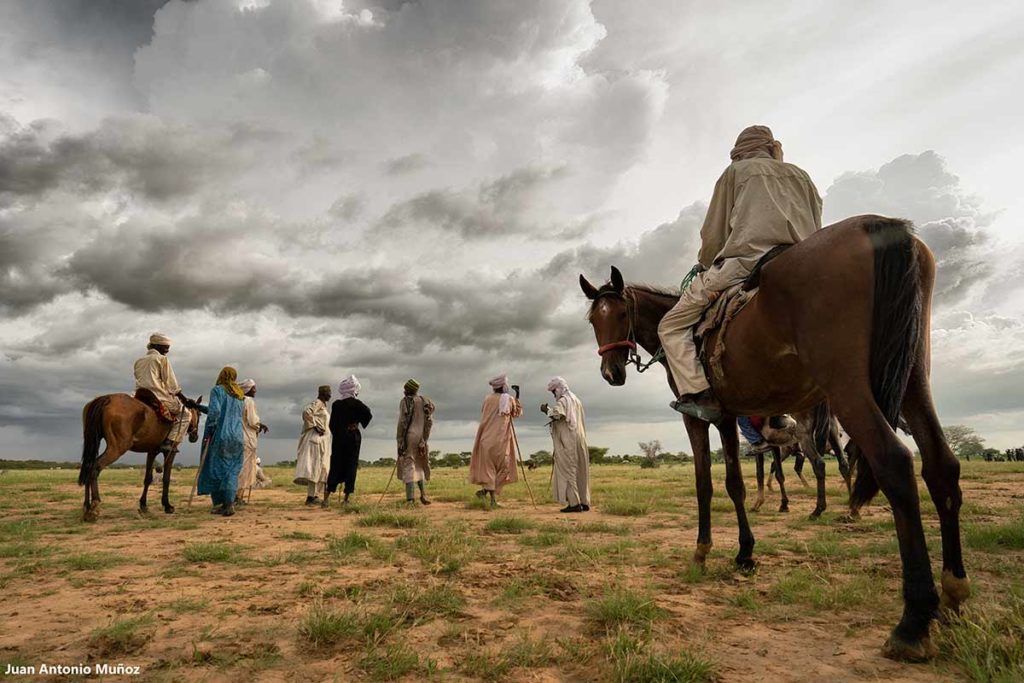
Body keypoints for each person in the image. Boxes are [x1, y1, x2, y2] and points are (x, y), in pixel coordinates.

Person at [657, 125, 822, 421]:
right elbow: (816, 224)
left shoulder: (735, 173)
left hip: (744, 263)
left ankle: (699, 395)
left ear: (739, 151)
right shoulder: (802, 175)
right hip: (803, 264)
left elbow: (714, 231)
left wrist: (706, 263)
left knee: (670, 326)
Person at [196, 367, 247, 516]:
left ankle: (220, 502)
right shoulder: (239, 396)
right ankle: (229, 503)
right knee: (231, 470)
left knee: (216, 468)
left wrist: (211, 428)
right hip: (237, 436)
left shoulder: (217, 390)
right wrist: (198, 407)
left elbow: (215, 412)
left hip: (221, 435)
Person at [133, 333, 194, 456]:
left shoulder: (139, 360)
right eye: (165, 346)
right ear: (155, 346)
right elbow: (171, 382)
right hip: (157, 395)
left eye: (168, 346)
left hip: (139, 394)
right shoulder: (162, 359)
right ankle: (169, 442)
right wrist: (183, 399)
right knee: (186, 414)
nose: (167, 349)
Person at [469, 374, 523, 508]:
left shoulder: (487, 399)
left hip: (485, 439)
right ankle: (492, 498)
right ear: (504, 386)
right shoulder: (508, 399)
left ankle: (486, 491)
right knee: (504, 468)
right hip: (501, 441)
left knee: (488, 469)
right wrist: (517, 396)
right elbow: (516, 413)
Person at [542, 377, 591, 513]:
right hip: (580, 439)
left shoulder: (564, 400)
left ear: (558, 388)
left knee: (567, 470)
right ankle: (584, 501)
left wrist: (546, 410)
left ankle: (574, 504)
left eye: (554, 391)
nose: (553, 394)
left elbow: (557, 414)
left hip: (568, 440)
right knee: (581, 469)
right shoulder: (576, 400)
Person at [325, 375, 373, 508]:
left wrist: (339, 432)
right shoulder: (358, 404)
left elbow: (332, 424)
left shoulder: (336, 404)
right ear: (355, 389)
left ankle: (326, 498)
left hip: (339, 439)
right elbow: (368, 415)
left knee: (335, 464)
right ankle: (346, 498)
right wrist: (355, 425)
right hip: (353, 438)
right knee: (351, 466)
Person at [396, 379, 435, 505]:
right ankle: (423, 495)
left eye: (405, 388)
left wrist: (400, 440)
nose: (404, 390)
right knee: (420, 464)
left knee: (409, 464)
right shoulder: (425, 401)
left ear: (408, 389)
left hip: (410, 436)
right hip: (422, 436)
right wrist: (425, 439)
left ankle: (410, 499)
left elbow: (402, 421)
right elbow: (429, 420)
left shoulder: (405, 401)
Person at [294, 385, 331, 505]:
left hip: (322, 441)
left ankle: (315, 495)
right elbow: (306, 412)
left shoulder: (323, 406)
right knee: (315, 467)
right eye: (329, 392)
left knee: (321, 468)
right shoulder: (318, 403)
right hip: (316, 440)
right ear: (323, 393)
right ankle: (310, 497)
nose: (330, 395)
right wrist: (316, 426)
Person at [235, 378, 268, 506]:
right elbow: (253, 421)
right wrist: (260, 426)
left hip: (238, 435)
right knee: (245, 468)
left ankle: (235, 495)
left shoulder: (238, 401)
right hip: (248, 437)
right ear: (248, 389)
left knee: (238, 467)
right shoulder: (249, 401)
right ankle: (238, 496)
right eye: (253, 388)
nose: (255, 390)